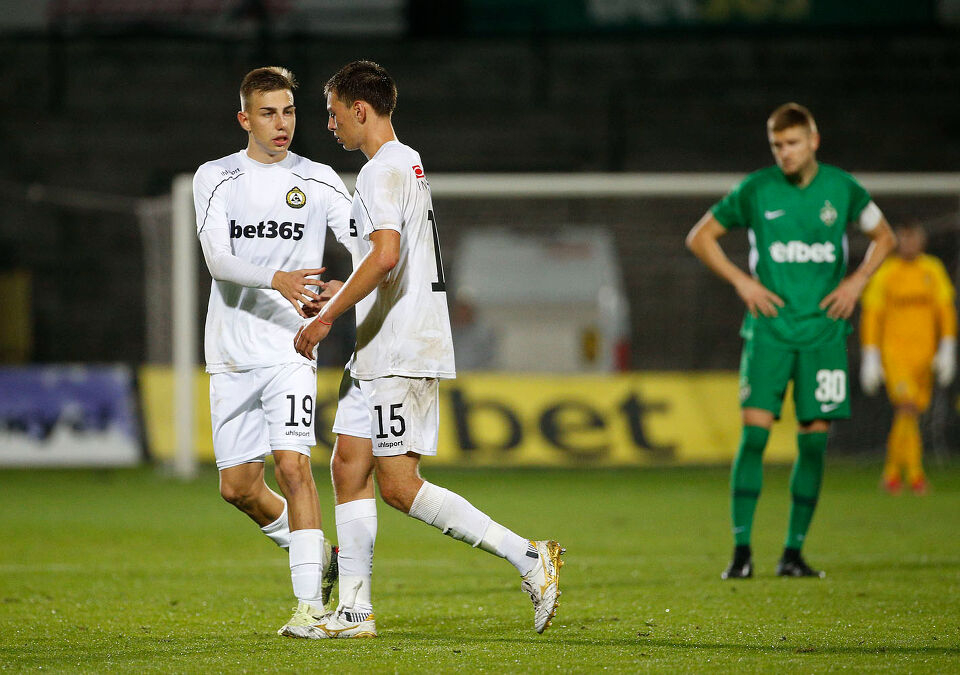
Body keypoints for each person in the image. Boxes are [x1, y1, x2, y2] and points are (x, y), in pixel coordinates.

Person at [293, 60, 564, 637]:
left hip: (401, 348)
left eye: (334, 113)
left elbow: (386, 254)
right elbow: (394, 262)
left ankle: (528, 556)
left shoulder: (377, 172)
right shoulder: (403, 161)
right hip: (380, 346)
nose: (330, 124)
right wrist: (349, 291)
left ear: (359, 110)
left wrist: (328, 319)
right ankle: (356, 612)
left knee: (397, 485)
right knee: (347, 465)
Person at [686, 102, 897, 579]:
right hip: (770, 332)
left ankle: (793, 553)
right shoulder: (757, 189)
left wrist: (858, 281)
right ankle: (741, 552)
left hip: (823, 333)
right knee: (755, 435)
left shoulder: (842, 189)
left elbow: (883, 236)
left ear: (814, 141)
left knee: (814, 444)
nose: (785, 152)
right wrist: (743, 282)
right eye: (777, 145)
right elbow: (700, 237)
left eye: (793, 143)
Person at [192, 66, 352, 636]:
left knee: (293, 466)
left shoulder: (320, 178)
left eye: (288, 111)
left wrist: (340, 294)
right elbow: (217, 260)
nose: (281, 123)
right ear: (245, 118)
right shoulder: (215, 177)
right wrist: (277, 277)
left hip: (290, 348)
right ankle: (321, 558)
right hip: (231, 353)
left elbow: (365, 242)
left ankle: (311, 608)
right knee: (237, 487)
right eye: (268, 112)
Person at [860, 222, 957, 495]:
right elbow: (872, 314)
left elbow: (945, 309)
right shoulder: (886, 272)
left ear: (922, 241)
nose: (909, 245)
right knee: (907, 407)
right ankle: (915, 475)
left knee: (911, 413)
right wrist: (871, 355)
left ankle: (892, 473)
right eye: (903, 239)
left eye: (913, 239)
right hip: (895, 354)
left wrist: (947, 347)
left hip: (925, 355)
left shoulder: (932, 269)